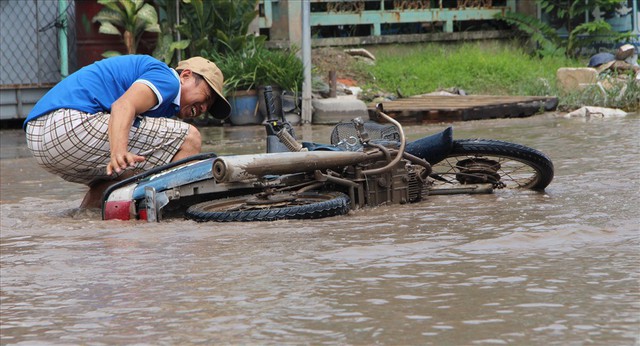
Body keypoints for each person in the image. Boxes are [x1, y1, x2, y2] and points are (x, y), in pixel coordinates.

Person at [23, 55, 231, 209]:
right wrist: (118, 151)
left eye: (209, 106)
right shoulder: (168, 80)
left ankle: (86, 220)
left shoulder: (164, 107)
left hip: (40, 138)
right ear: (185, 75)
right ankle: (175, 214)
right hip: (65, 124)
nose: (204, 107)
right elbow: (123, 106)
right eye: (206, 96)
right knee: (189, 138)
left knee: (122, 179)